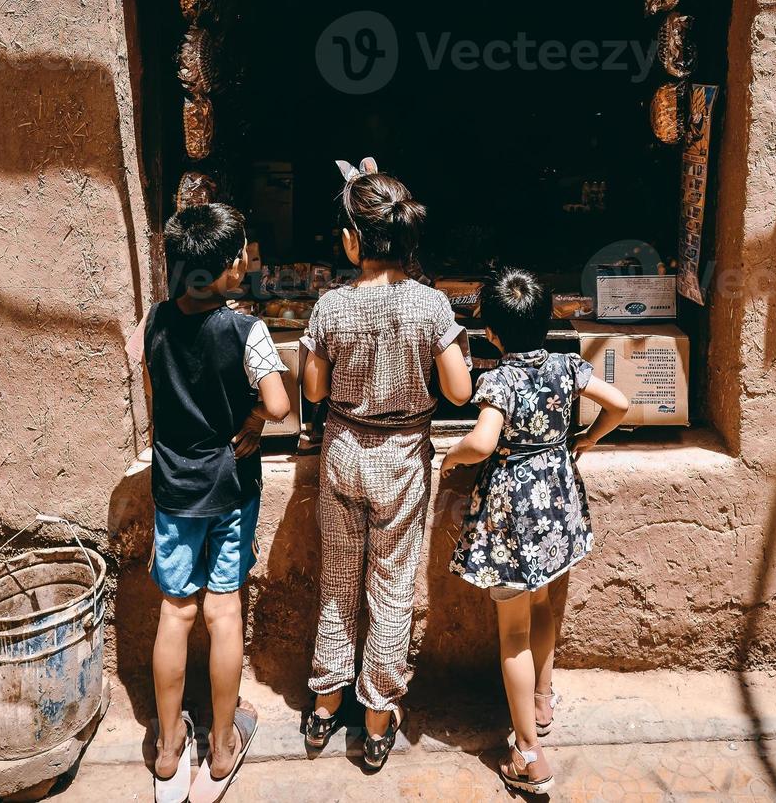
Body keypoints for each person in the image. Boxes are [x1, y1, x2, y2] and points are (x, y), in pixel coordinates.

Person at [299, 158, 474, 769]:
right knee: (391, 587)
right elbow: (457, 391)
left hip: (344, 451)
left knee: (338, 583)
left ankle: (323, 707)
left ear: (353, 240)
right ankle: (376, 718)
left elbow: (315, 392)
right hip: (402, 460)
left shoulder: (331, 307)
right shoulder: (429, 307)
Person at [126, 203, 292, 803]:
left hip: (175, 489)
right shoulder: (246, 329)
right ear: (223, 269)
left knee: (176, 613)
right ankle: (221, 749)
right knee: (225, 612)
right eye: (241, 253)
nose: (247, 259)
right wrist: (248, 415)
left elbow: (157, 392)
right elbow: (278, 406)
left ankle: (169, 748)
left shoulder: (156, 323)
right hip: (230, 487)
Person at [441, 267, 629, 796]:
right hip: (557, 505)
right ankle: (544, 699)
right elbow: (619, 403)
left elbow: (482, 443)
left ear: (492, 334)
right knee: (543, 604)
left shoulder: (498, 379)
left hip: (512, 513)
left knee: (514, 633)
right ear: (547, 321)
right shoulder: (568, 366)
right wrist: (588, 439)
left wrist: (450, 459)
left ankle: (527, 751)